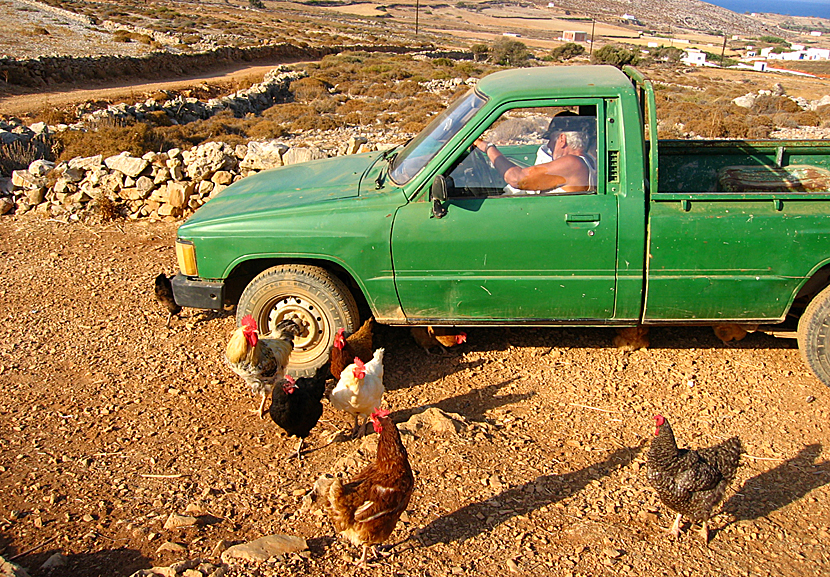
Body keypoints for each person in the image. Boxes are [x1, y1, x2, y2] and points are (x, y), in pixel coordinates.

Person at [473, 112, 597, 194]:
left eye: (551, 140)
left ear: (562, 139)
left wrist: (488, 147)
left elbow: (516, 179)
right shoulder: (588, 159)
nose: (549, 145)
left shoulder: (573, 163)